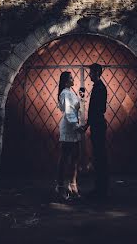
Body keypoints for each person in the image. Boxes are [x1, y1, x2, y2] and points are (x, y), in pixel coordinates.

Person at [55, 70, 82, 200]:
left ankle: (72, 184)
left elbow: (75, 108)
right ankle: (60, 186)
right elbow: (68, 111)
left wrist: (80, 101)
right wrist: (77, 127)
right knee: (65, 158)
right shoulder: (65, 93)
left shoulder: (71, 92)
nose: (73, 79)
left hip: (75, 126)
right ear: (66, 81)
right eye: (71, 78)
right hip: (69, 127)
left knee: (75, 158)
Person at [85, 62, 109, 200]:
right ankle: (100, 188)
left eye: (91, 73)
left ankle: (101, 190)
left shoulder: (99, 88)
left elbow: (98, 109)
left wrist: (89, 123)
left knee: (100, 156)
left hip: (98, 124)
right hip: (97, 123)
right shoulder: (99, 87)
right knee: (99, 156)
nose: (89, 75)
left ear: (96, 73)